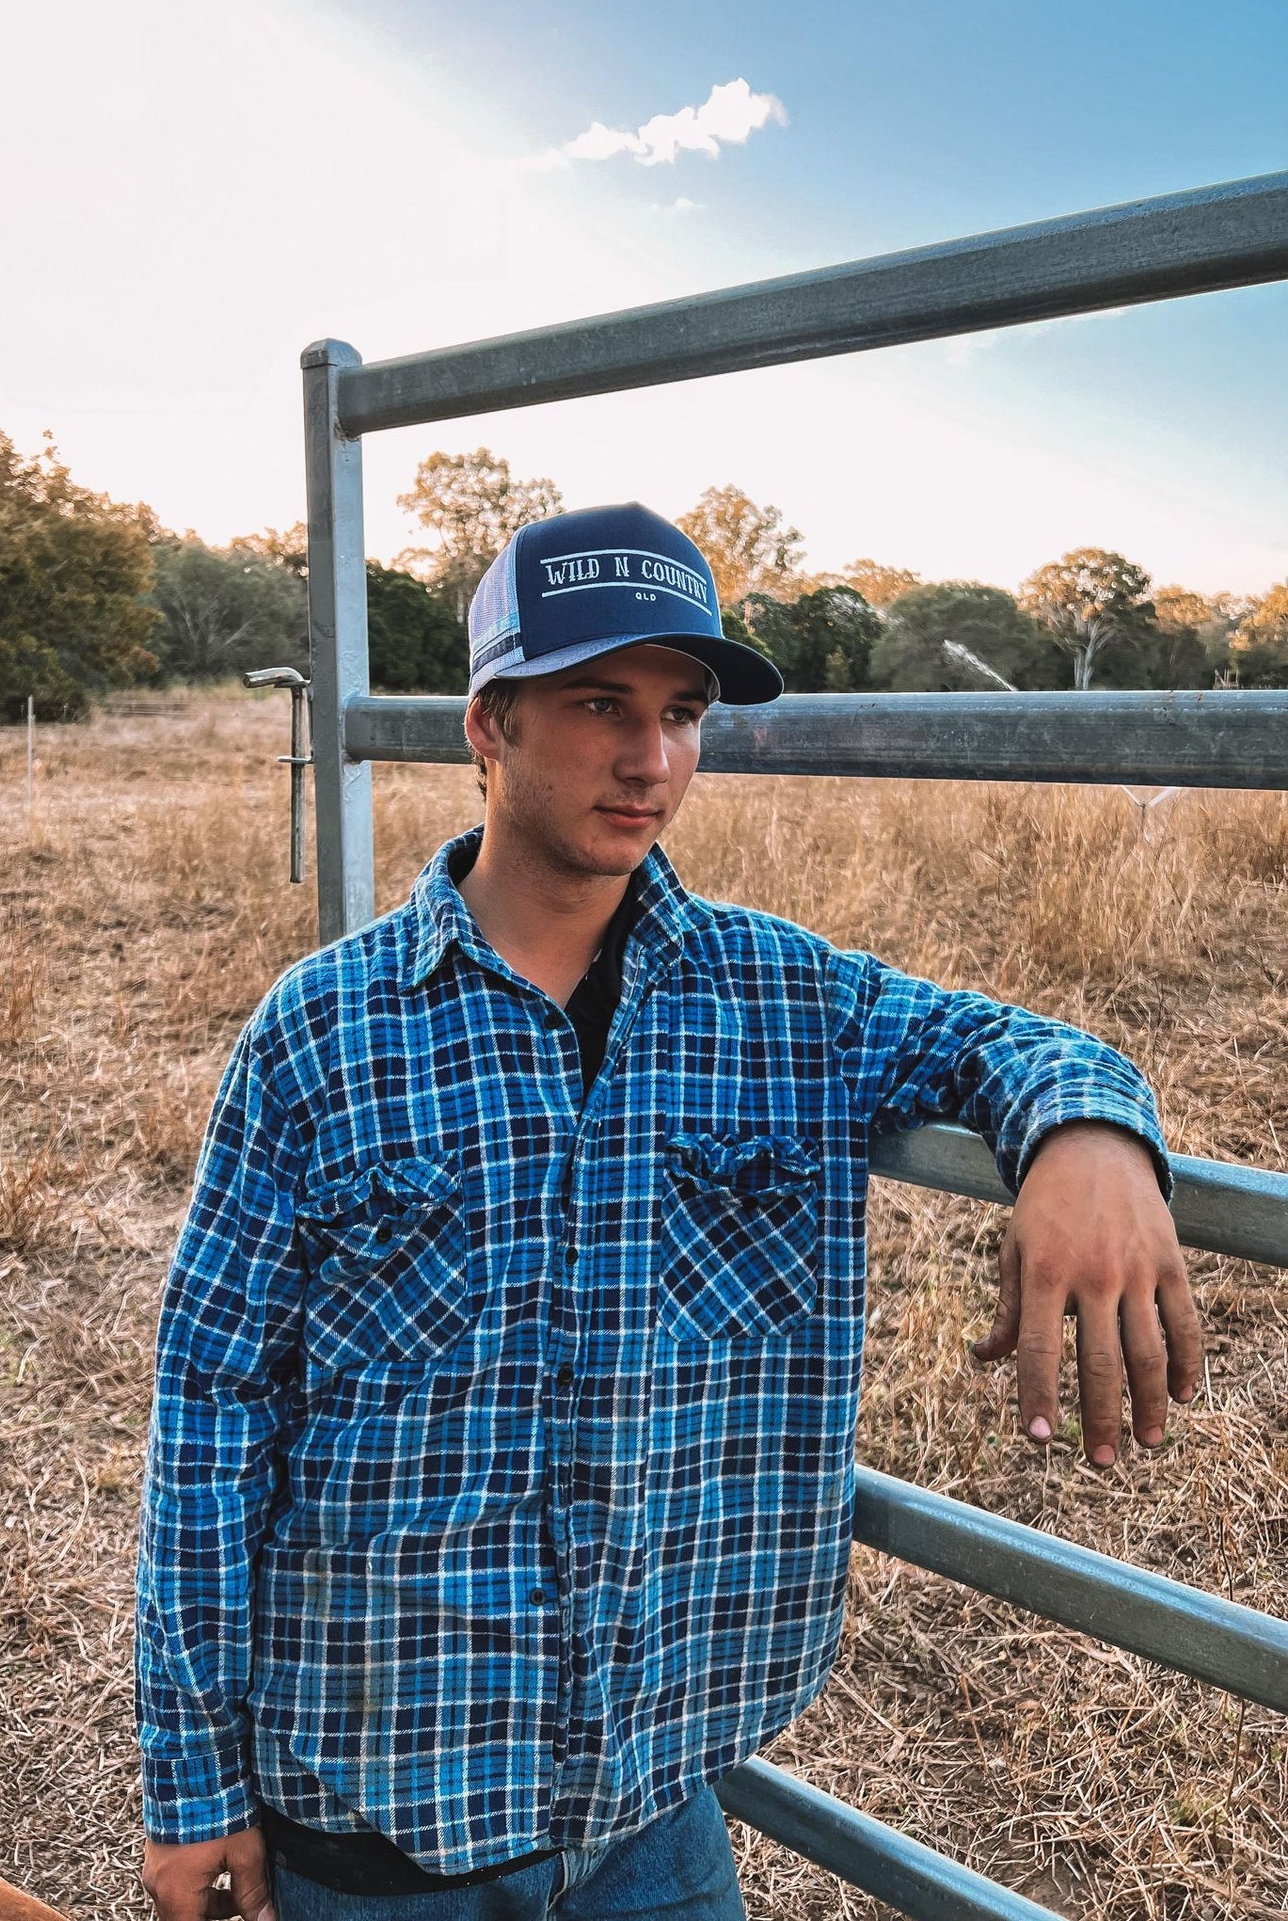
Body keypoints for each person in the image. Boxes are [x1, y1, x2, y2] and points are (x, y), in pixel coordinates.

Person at [136, 503, 1202, 1921]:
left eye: (683, 711)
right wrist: (191, 1785)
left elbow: (1011, 1045)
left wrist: (1087, 1138)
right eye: (597, 705)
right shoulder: (321, 1035)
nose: (651, 759)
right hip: (376, 1809)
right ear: (488, 724)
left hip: (650, 1806)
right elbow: (210, 1414)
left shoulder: (787, 1004)